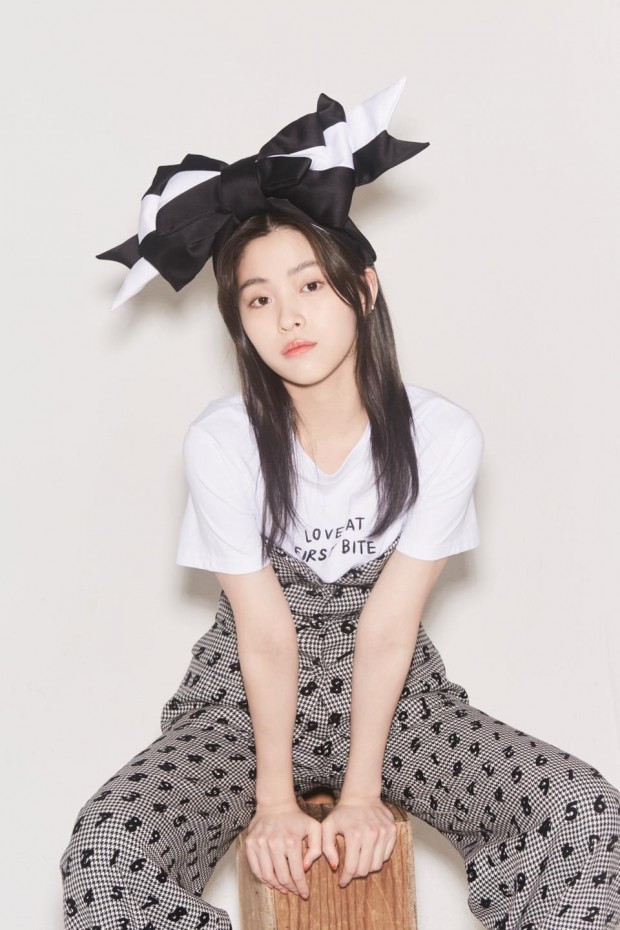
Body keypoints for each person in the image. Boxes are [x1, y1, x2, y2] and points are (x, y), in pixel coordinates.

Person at [60, 81, 620, 930]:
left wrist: (361, 793)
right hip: (239, 709)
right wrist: (272, 801)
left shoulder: (441, 436)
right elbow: (264, 634)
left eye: (311, 285)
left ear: (363, 286)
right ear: (239, 323)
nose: (288, 317)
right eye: (258, 299)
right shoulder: (222, 442)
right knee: (105, 849)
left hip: (400, 708)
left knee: (585, 813)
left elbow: (389, 626)